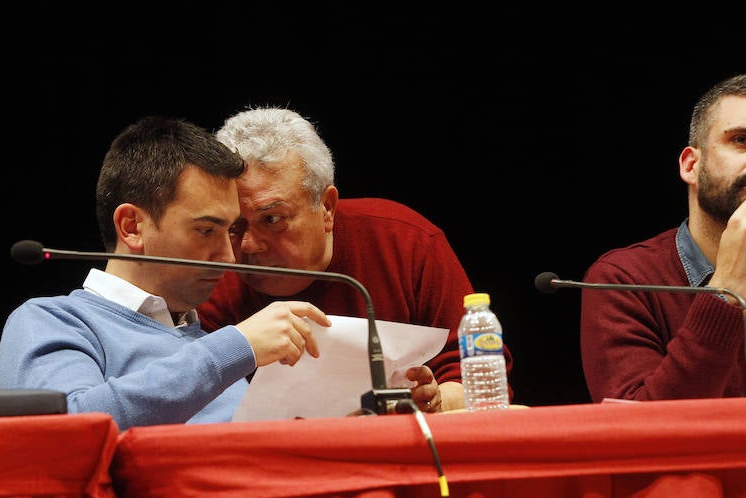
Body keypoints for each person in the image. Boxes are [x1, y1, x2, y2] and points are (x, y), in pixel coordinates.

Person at [0, 116, 330, 431]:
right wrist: (235, 347)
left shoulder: (202, 340)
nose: (229, 257)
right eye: (205, 230)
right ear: (132, 226)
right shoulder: (51, 321)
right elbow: (67, 433)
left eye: (229, 231)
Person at [197, 107, 513, 412]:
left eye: (272, 219)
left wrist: (435, 401)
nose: (249, 246)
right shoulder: (210, 272)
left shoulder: (404, 241)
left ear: (327, 209)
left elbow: (479, 373)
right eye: (235, 225)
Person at [580, 73, 746, 402]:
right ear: (691, 165)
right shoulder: (622, 280)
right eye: (742, 140)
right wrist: (729, 289)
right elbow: (641, 433)